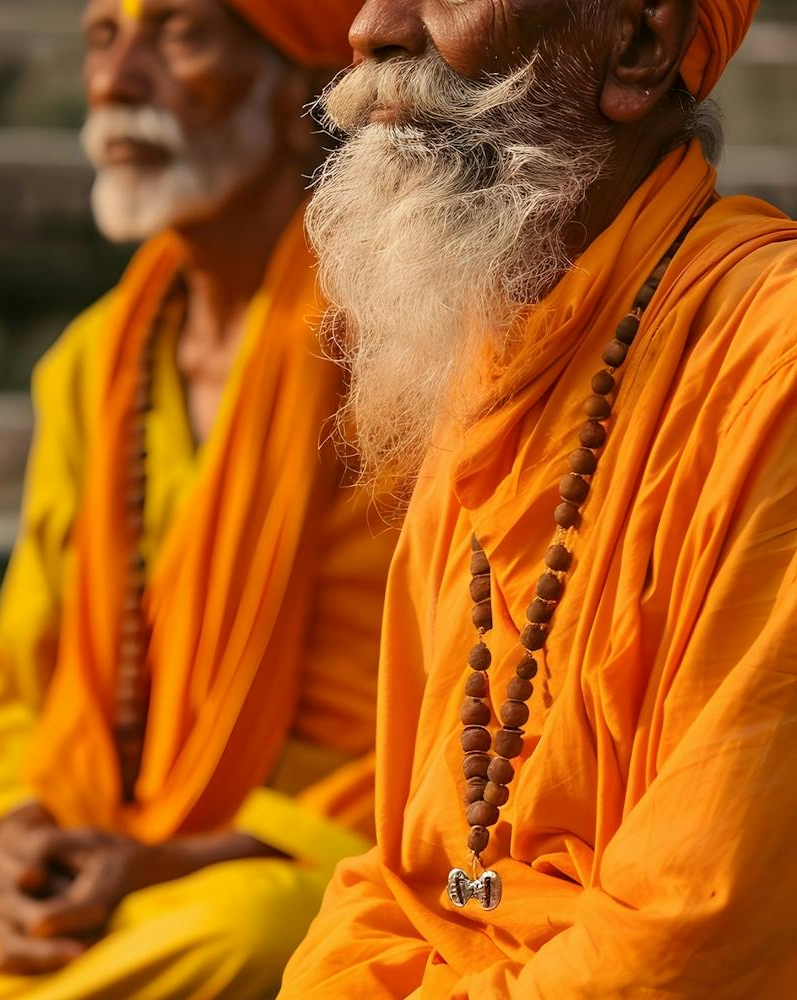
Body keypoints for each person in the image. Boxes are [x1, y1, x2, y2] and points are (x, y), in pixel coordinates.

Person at [0, 1, 395, 997]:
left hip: (263, 866)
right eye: (102, 38)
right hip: (89, 866)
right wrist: (18, 838)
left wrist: (171, 862)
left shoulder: (391, 354)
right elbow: (18, 690)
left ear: (303, 92)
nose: (115, 82)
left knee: (255, 932)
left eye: (179, 34)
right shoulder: (90, 365)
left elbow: (422, 726)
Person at [280, 0, 797, 995]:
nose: (372, 27)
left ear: (637, 46)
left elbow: (696, 932)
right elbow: (404, 873)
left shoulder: (772, 366)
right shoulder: (493, 358)